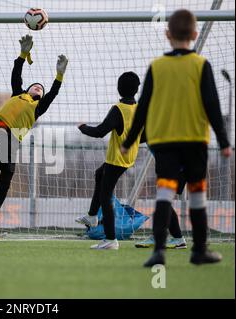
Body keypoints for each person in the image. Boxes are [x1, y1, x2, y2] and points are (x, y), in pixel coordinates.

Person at [121, 9, 231, 266]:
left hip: (164, 143)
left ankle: (159, 251)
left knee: (164, 196)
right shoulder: (202, 65)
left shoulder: (157, 67)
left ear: (168, 35)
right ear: (194, 34)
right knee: (196, 197)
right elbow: (212, 104)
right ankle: (199, 251)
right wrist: (224, 142)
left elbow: (143, 107)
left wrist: (128, 141)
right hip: (194, 142)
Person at [0, 35, 68, 239]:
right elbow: (16, 74)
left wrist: (59, 75)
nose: (38, 87)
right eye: (35, 85)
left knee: (4, 185)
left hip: (13, 144)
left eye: (41, 88)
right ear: (26, 89)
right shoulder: (17, 94)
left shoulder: (38, 107)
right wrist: (22, 55)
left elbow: (52, 93)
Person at [76, 72, 143, 250]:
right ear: (137, 89)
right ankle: (91, 216)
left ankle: (111, 239)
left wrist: (82, 127)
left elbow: (100, 132)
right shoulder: (140, 109)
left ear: (118, 88)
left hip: (117, 159)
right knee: (99, 174)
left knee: (106, 195)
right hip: (129, 157)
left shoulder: (119, 109)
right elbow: (145, 136)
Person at [135, 170, 187, 249]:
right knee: (164, 198)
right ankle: (177, 239)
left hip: (178, 166)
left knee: (164, 197)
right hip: (174, 166)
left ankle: (161, 237)